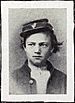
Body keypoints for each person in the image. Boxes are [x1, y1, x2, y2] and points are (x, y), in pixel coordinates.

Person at [9, 18, 66, 94]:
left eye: (43, 45)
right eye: (31, 44)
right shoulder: (11, 79)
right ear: (24, 47)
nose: (37, 51)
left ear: (52, 48)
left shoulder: (64, 80)